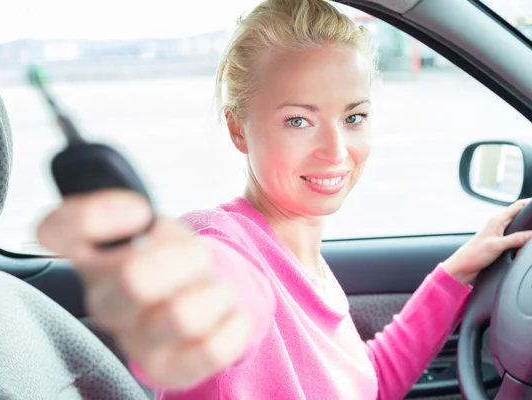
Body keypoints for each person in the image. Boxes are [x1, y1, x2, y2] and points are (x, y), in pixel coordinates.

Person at [36, 0, 532, 398]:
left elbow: (365, 384)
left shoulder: (304, 257)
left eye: (353, 117)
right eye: (299, 120)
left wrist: (457, 271)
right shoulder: (224, 243)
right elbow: (223, 290)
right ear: (238, 129)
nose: (336, 151)